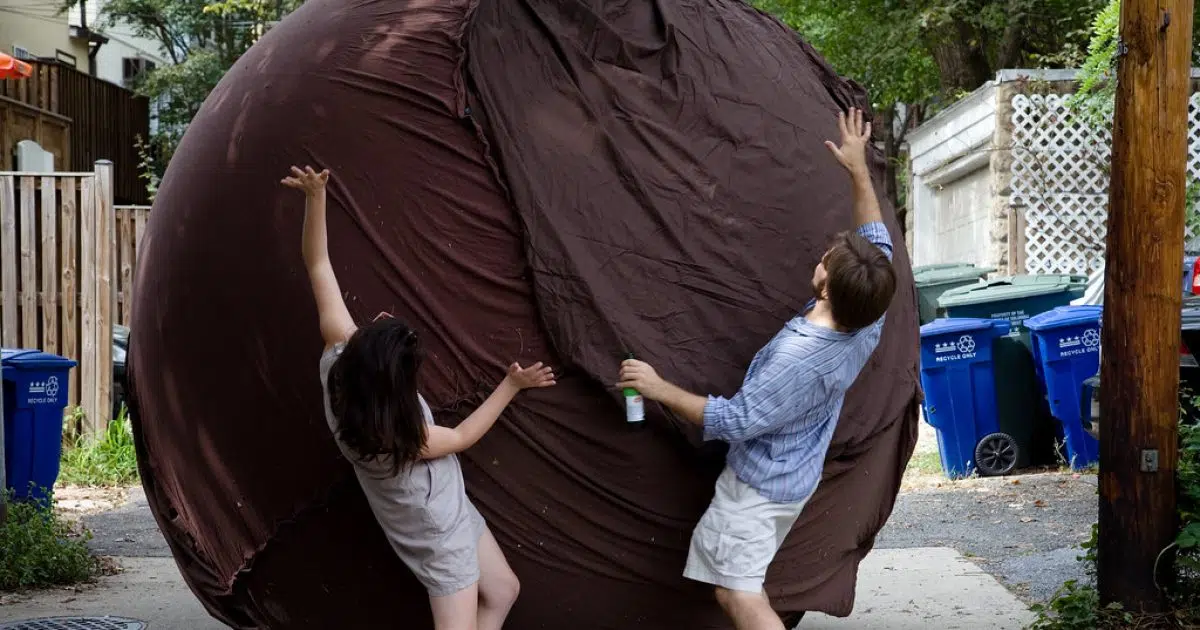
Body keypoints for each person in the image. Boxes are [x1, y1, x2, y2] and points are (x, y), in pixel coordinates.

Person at [616, 107, 896, 630]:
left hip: (761, 490)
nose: (823, 255)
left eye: (827, 259)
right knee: (739, 585)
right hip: (791, 474)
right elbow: (876, 240)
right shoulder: (867, 317)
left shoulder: (800, 360)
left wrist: (657, 387)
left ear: (828, 285)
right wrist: (858, 169)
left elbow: (736, 420)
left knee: (737, 595)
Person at [283, 165, 556, 630]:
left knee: (504, 590)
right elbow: (466, 434)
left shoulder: (341, 357)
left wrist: (316, 198)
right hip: (437, 535)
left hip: (449, 509)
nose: (385, 312)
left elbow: (318, 264)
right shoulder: (409, 438)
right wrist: (511, 385)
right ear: (395, 385)